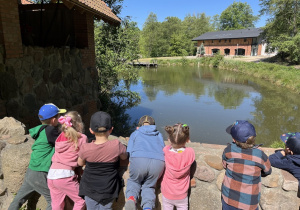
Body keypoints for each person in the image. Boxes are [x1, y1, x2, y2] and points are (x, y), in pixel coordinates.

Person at [8, 103, 66, 210]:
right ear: (53, 120)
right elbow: (64, 142)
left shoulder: (40, 130)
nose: (60, 118)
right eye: (59, 116)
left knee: (18, 200)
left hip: (31, 170)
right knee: (54, 200)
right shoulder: (51, 131)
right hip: (40, 172)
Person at [78, 111, 128, 210]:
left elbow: (80, 163)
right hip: (108, 189)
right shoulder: (116, 145)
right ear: (111, 130)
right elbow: (124, 157)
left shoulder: (85, 148)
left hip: (89, 189)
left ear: (91, 131)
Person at [222, 120, 272, 210]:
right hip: (249, 203)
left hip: (229, 199)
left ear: (234, 139)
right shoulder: (260, 155)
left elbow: (224, 164)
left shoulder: (228, 150)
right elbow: (268, 171)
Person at [47, 111, 88, 210]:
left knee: (57, 204)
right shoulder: (82, 137)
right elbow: (83, 158)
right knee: (81, 200)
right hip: (64, 175)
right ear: (79, 124)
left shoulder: (60, 137)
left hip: (51, 174)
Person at [125, 115, 165, 210]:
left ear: (139, 126)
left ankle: (131, 198)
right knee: (149, 186)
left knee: (134, 181)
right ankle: (147, 207)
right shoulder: (159, 134)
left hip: (139, 159)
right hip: (158, 162)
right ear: (153, 126)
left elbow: (129, 151)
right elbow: (163, 149)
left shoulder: (135, 133)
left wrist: (131, 162)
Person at [161, 123, 195, 210]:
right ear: (187, 139)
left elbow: (168, 148)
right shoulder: (190, 152)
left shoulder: (165, 151)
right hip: (182, 194)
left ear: (169, 139)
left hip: (167, 192)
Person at [269, 132, 300, 197]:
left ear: (289, 150)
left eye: (286, 146)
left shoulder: (290, 162)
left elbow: (270, 159)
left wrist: (283, 152)